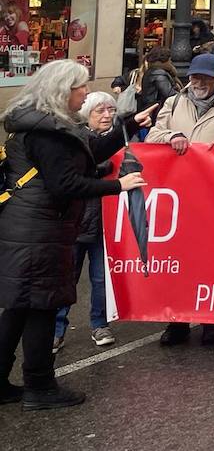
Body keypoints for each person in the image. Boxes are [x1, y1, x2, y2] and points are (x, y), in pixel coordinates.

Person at [0, 62, 147, 409]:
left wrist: (124, 125)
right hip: (41, 231)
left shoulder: (36, 123)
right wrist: (118, 186)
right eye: (80, 87)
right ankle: (40, 386)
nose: (84, 92)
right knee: (42, 307)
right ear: (62, 91)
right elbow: (66, 184)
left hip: (27, 227)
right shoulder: (48, 132)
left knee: (20, 308)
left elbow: (78, 160)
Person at [145, 53, 214, 347]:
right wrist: (172, 136)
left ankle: (211, 320)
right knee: (178, 258)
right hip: (179, 193)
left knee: (211, 258)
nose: (198, 83)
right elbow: (153, 134)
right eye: (194, 77)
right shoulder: (175, 102)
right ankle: (176, 321)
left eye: (205, 78)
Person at [51, 93, 124, 353]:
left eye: (110, 110)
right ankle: (56, 330)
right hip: (77, 222)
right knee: (66, 278)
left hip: (106, 224)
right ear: (86, 114)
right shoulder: (77, 140)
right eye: (99, 111)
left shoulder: (123, 142)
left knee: (102, 278)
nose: (107, 116)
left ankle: (99, 324)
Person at [133, 47, 179, 119]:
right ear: (164, 60)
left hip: (151, 108)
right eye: (170, 59)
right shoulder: (158, 73)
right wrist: (183, 96)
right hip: (157, 110)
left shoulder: (152, 71)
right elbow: (169, 93)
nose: (171, 62)